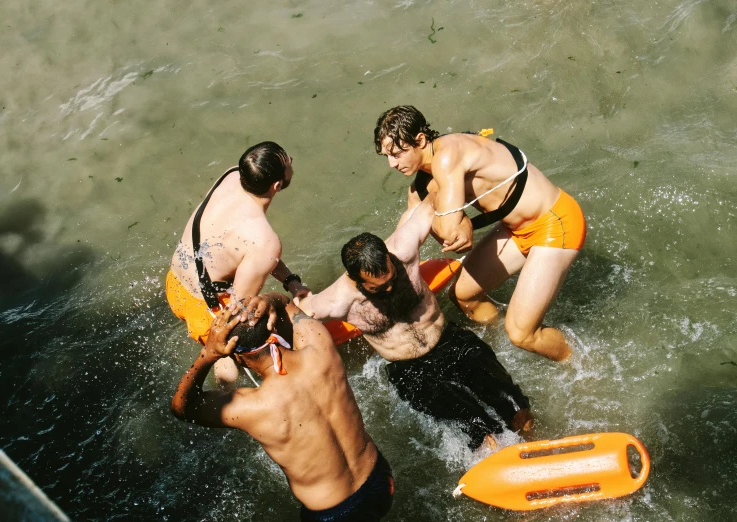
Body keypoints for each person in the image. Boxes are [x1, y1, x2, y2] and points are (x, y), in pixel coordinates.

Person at [298, 200, 532, 450]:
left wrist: (461, 225)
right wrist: (275, 297)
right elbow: (293, 317)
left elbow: (437, 200)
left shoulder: (404, 250)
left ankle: (534, 447)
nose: (390, 289)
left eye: (392, 278)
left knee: (516, 407)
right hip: (409, 370)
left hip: (448, 340)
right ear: (356, 281)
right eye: (378, 288)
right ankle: (498, 461)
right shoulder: (336, 301)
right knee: (479, 428)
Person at [373, 105, 586, 362]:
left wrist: (456, 223)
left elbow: (450, 231)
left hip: (555, 221)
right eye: (386, 155)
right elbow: (401, 240)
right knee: (464, 295)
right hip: (516, 230)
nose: (392, 164)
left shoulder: (448, 155)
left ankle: (579, 364)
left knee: (521, 333)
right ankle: (502, 352)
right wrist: (365, 283)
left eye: (397, 153)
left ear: (419, 140)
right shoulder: (421, 185)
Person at [171, 293, 394, 522]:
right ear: (273, 327)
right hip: (380, 481)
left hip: (333, 513)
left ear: (238, 359)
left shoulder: (252, 407)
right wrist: (269, 298)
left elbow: (182, 407)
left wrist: (208, 355)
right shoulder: (320, 347)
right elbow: (287, 303)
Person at [166, 141, 310, 381]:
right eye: (288, 162)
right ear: (277, 185)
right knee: (236, 338)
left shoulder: (232, 175)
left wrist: (291, 281)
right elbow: (236, 314)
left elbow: (253, 250)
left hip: (174, 285)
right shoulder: (264, 240)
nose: (291, 159)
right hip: (206, 312)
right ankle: (226, 391)